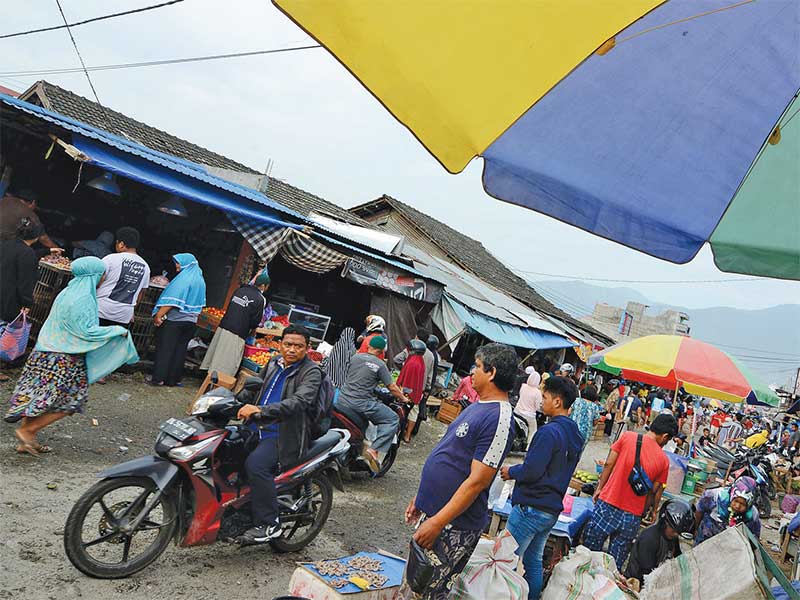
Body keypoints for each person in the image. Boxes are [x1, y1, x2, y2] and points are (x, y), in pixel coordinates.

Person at [402, 343, 515, 600]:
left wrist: (438, 522)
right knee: (413, 583)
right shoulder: (478, 406)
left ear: (492, 373)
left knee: (429, 590)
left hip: (454, 525)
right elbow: (450, 455)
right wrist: (422, 499)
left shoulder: (500, 418)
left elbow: (477, 482)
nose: (472, 372)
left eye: (477, 366)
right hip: (435, 515)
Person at [4, 257, 138, 454]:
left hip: (44, 351)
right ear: (94, 275)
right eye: (102, 273)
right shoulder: (84, 298)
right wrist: (116, 331)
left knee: (38, 398)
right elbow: (85, 331)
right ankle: (27, 431)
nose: (104, 277)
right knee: (71, 401)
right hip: (64, 357)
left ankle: (27, 439)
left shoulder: (67, 291)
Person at [235, 325, 322, 545]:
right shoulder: (274, 363)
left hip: (283, 434)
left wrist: (262, 411)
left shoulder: (311, 372)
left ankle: (269, 524)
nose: (292, 350)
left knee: (256, 465)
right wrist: (232, 400)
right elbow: (254, 387)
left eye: (298, 346)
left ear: (307, 348)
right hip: (257, 426)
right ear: (281, 344)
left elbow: (300, 401)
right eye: (288, 344)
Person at [500, 375, 583, 599]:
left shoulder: (548, 432)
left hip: (532, 506)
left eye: (544, 397)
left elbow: (531, 471)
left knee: (504, 559)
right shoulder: (575, 433)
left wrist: (511, 472)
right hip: (550, 509)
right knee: (533, 561)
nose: (541, 401)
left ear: (557, 401)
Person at [583, 413, 677, 569]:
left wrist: (600, 488)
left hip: (607, 504)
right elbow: (655, 491)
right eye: (667, 440)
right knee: (613, 565)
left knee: (588, 555)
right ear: (665, 436)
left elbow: (608, 464)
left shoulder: (627, 437)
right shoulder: (663, 460)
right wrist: (653, 510)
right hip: (632, 517)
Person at [336, 335, 409, 473]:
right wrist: (404, 399)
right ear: (382, 351)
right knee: (392, 419)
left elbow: (357, 377)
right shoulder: (380, 364)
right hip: (361, 403)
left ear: (368, 346)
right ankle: (373, 450)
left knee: (363, 424)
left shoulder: (355, 357)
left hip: (342, 400)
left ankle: (356, 452)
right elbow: (392, 387)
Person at [150, 253, 206, 387]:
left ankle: (158, 379)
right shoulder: (199, 279)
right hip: (191, 322)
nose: (176, 265)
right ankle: (173, 380)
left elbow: (172, 300)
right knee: (180, 351)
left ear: (187, 263)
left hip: (175, 321)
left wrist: (159, 315)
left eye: (179, 263)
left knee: (166, 349)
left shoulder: (184, 279)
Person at [200, 271, 269, 376]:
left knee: (216, 353)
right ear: (263, 286)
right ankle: (218, 382)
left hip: (223, 326)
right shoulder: (260, 299)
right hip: (238, 332)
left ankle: (206, 377)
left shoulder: (240, 290)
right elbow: (255, 321)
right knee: (226, 361)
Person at [624, 499, 694, 585]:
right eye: (674, 531)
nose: (676, 535)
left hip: (656, 575)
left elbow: (678, 556)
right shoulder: (650, 539)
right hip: (638, 582)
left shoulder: (672, 536)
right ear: (665, 523)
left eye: (678, 533)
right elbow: (647, 571)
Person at [96, 227, 151, 327]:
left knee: (93, 341)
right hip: (124, 315)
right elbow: (141, 294)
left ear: (121, 244)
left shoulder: (111, 259)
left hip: (101, 310)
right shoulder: (145, 267)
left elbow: (98, 282)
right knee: (113, 342)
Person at [694, 476, 761, 546]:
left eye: (742, 504)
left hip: (729, 545)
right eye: (736, 501)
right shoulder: (714, 496)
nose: (737, 506)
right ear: (732, 494)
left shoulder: (752, 514)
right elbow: (699, 511)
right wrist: (696, 529)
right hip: (706, 536)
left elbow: (755, 536)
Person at [0, 217, 39, 323]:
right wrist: (27, 303)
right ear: (36, 236)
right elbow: (25, 282)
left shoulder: (5, 244)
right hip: (9, 302)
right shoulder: (27, 253)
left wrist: (47, 251)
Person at [399, 339, 428, 444]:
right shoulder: (420, 361)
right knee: (413, 414)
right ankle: (407, 436)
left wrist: (402, 392)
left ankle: (400, 432)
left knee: (403, 413)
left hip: (408, 393)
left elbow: (407, 380)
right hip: (417, 393)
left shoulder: (412, 362)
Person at [394, 327, 436, 392]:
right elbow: (429, 375)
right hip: (420, 388)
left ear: (416, 337)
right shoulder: (431, 355)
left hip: (406, 385)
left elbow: (396, 359)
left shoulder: (411, 349)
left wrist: (404, 368)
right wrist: (427, 388)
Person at [570, 384, 602, 449]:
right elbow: (595, 423)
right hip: (585, 434)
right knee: (579, 451)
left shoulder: (576, 400)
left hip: (571, 429)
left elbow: (568, 412)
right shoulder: (595, 407)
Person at [516, 367, 542, 446]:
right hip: (529, 416)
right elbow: (538, 407)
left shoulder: (523, 386)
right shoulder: (537, 392)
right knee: (533, 431)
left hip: (517, 411)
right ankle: (528, 446)